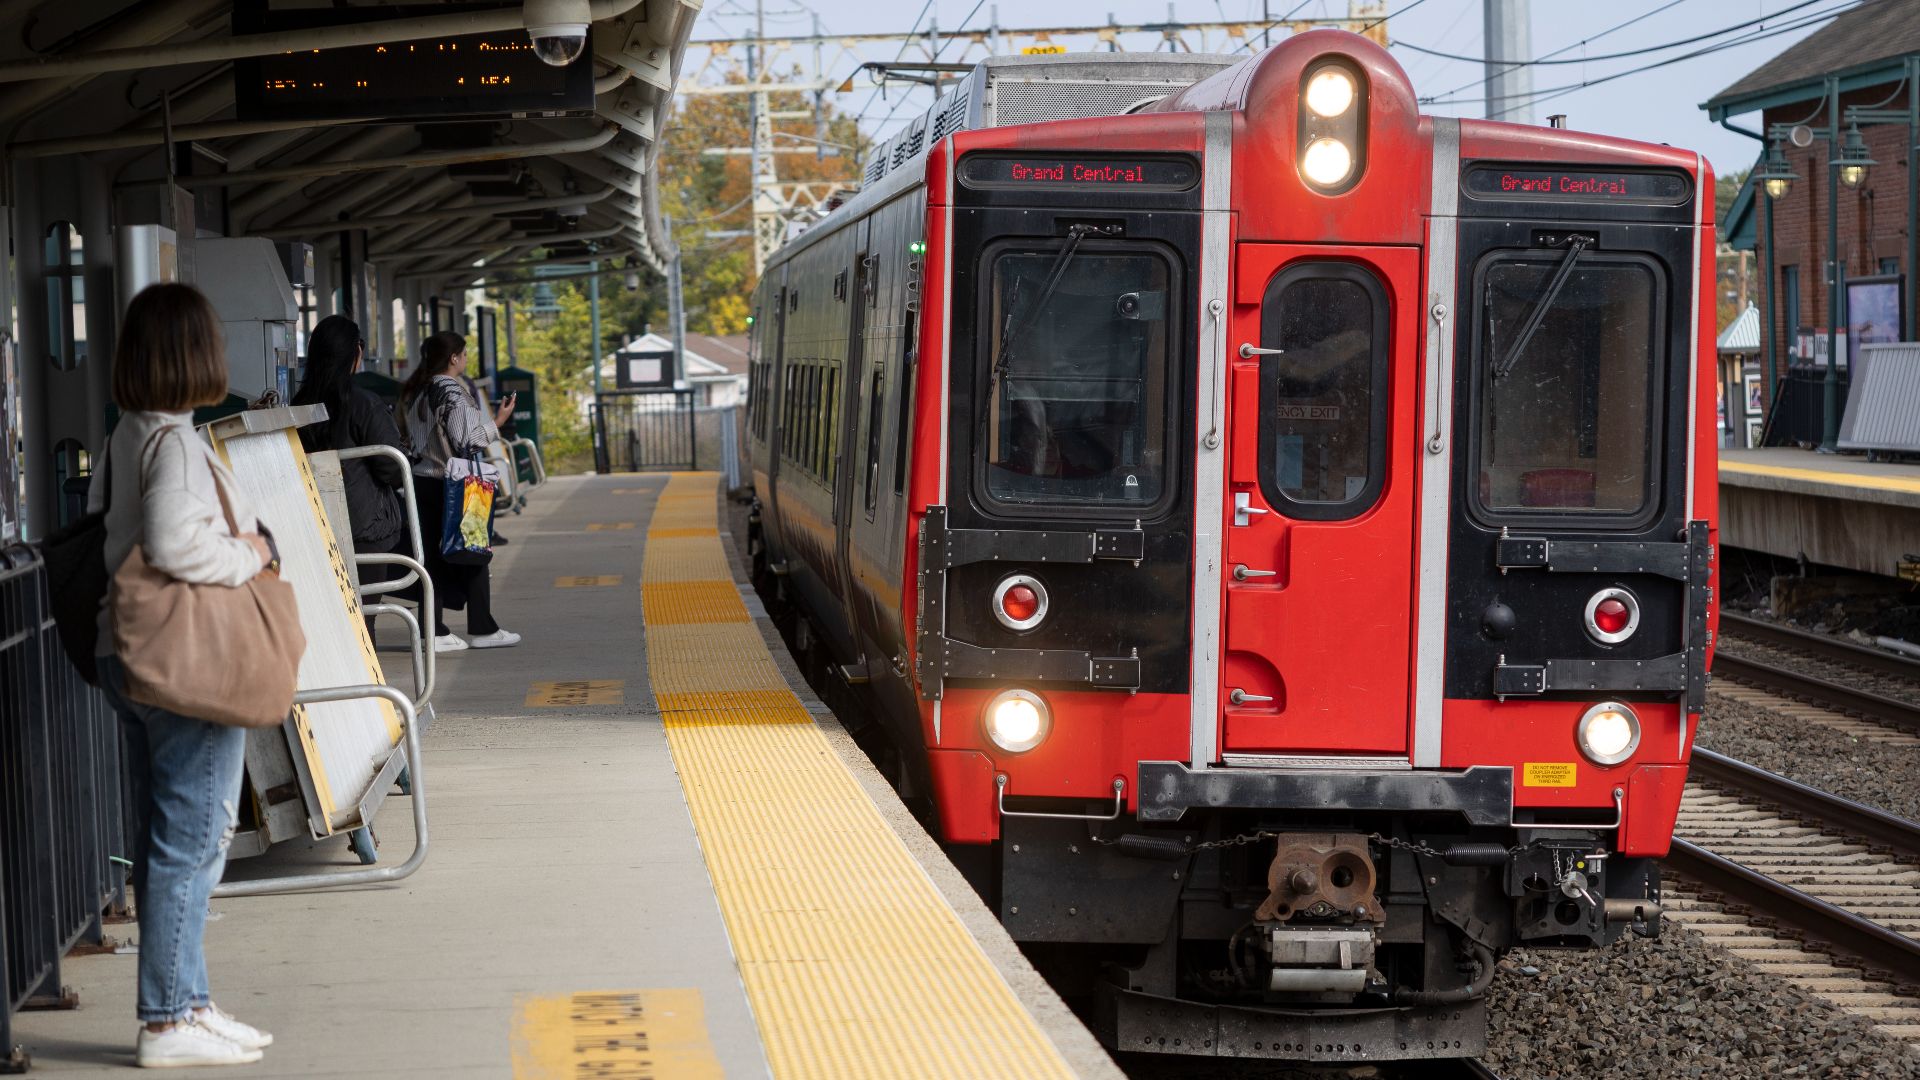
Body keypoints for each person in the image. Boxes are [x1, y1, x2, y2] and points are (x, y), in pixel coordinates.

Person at [86, 283, 277, 1068]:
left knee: (168, 837)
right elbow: (171, 546)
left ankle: (188, 1002)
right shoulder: (174, 443)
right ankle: (167, 1019)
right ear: (198, 352)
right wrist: (254, 555)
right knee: (193, 839)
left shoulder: (131, 434)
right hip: (183, 658)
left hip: (128, 652)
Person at [397, 330, 519, 653]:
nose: (466, 359)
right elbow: (468, 440)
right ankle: (482, 627)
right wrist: (499, 421)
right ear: (454, 358)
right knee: (476, 550)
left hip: (422, 481)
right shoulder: (452, 391)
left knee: (431, 560)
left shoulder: (418, 391)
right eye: (464, 354)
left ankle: (433, 633)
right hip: (456, 483)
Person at [290, 316, 412, 576]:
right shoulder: (365, 404)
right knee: (367, 610)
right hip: (365, 531)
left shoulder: (296, 406)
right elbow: (393, 470)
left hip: (315, 527)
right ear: (355, 353)